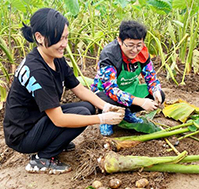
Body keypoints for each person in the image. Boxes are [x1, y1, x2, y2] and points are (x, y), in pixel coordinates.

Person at [3, 8, 125, 174]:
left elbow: (79, 88)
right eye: (59, 39)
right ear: (39, 37)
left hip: (38, 120)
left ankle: (54, 141)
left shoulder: (54, 58)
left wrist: (104, 106)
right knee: (85, 116)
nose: (64, 44)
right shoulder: (37, 71)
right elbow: (59, 120)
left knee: (87, 108)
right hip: (23, 135)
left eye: (66, 38)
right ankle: (42, 159)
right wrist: (101, 118)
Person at [91, 20, 165, 136]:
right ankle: (107, 119)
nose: (135, 50)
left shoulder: (143, 53)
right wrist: (141, 102)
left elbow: (151, 77)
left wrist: (155, 90)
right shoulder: (109, 55)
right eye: (130, 45)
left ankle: (126, 113)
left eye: (139, 45)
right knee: (107, 99)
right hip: (106, 92)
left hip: (130, 88)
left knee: (159, 94)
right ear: (120, 41)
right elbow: (111, 90)